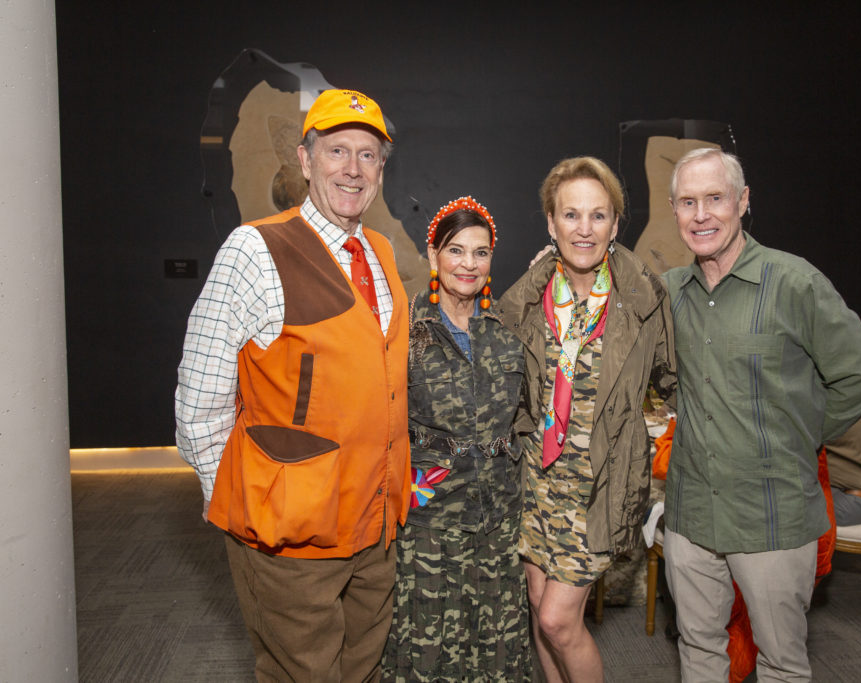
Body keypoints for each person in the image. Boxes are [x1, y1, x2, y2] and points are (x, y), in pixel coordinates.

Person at [174, 88, 410, 681]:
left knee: (363, 668)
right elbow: (199, 398)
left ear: (381, 168)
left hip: (374, 528)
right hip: (289, 538)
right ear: (305, 161)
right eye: (336, 151)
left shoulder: (379, 251)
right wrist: (239, 501)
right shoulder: (255, 249)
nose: (352, 169)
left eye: (368, 154)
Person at [662, 148, 861, 682]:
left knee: (781, 663)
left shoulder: (795, 282)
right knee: (698, 648)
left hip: (772, 513)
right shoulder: (670, 292)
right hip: (691, 511)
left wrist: (798, 434)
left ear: (743, 201)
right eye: (688, 202)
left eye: (714, 198)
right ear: (674, 211)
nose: (701, 215)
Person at [497, 156, 675, 682]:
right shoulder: (526, 297)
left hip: (598, 489)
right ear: (551, 223)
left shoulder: (642, 297)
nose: (584, 228)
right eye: (571, 215)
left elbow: (674, 379)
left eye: (598, 216)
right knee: (537, 606)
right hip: (534, 482)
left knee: (558, 620)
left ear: (616, 224)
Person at [381, 197, 531, 681]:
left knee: (498, 644)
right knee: (431, 644)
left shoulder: (507, 332)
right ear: (432, 255)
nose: (469, 264)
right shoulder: (403, 331)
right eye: (456, 250)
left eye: (481, 252)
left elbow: (530, 417)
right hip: (431, 517)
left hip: (498, 517)